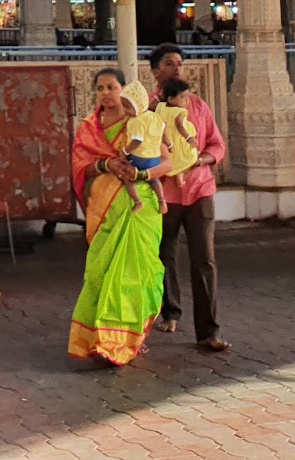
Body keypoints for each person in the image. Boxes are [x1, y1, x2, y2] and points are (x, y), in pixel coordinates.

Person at [69, 67, 165, 366]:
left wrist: (142, 173)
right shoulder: (89, 127)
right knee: (101, 273)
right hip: (105, 208)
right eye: (100, 88)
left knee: (137, 274)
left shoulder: (142, 121)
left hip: (141, 207)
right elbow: (80, 163)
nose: (106, 94)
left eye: (111, 87)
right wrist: (106, 166)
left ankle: (131, 339)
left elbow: (168, 161)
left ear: (124, 90)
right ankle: (102, 340)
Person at [148, 45, 228, 352]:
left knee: (204, 260)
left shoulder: (198, 106)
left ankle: (209, 331)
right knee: (164, 254)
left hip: (199, 190)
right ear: (155, 71)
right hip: (164, 192)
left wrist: (201, 160)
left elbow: (216, 145)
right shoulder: (149, 109)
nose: (178, 68)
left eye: (180, 63)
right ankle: (171, 311)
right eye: (169, 64)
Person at [116, 81, 169, 213]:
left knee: (127, 177)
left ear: (139, 105)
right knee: (154, 180)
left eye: (128, 107)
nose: (124, 110)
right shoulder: (154, 116)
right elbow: (163, 132)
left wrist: (124, 151)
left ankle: (138, 202)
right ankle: (162, 201)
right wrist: (170, 144)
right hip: (155, 158)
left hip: (140, 158)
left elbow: (137, 141)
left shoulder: (136, 121)